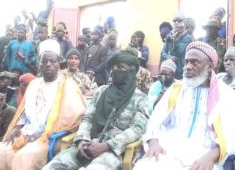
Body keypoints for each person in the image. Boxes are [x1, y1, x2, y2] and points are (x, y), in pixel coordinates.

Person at [133, 41, 235, 170]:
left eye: (194, 62)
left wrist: (210, 157)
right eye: (186, 62)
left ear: (209, 67)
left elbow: (231, 135)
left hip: (205, 154)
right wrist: (154, 142)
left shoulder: (227, 95)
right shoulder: (176, 89)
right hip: (169, 149)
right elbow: (155, 121)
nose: (187, 66)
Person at [42, 50, 148, 170]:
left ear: (131, 72)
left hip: (112, 151)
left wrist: (106, 145)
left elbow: (137, 129)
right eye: (113, 67)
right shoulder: (101, 91)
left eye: (120, 68)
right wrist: (82, 140)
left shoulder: (140, 98)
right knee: (54, 166)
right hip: (88, 143)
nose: (115, 71)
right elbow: (88, 118)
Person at [0, 39, 87, 170]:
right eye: (44, 61)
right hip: (26, 131)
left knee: (23, 158)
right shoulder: (34, 84)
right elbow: (24, 113)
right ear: (39, 64)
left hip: (50, 137)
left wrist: (45, 133)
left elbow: (74, 120)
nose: (48, 64)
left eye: (53, 61)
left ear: (59, 64)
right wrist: (16, 128)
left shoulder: (68, 86)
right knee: (3, 151)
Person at [160, 12, 192, 79]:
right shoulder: (170, 36)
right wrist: (169, 57)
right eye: (174, 21)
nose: (176, 23)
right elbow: (163, 52)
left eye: (179, 21)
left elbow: (179, 52)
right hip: (170, 71)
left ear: (184, 23)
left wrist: (176, 39)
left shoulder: (188, 37)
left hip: (181, 72)